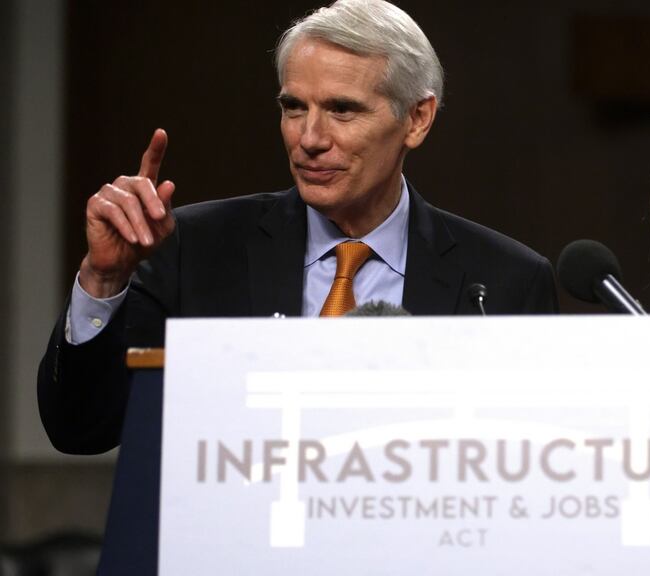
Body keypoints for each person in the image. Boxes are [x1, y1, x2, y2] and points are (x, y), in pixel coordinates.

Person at [38, 0, 557, 456]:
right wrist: (102, 283)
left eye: (342, 110)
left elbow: (530, 468)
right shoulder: (191, 248)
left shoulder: (506, 282)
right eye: (293, 108)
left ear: (417, 119)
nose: (309, 138)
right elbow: (81, 430)